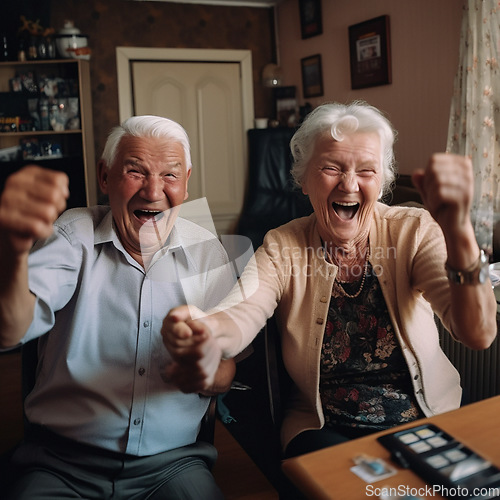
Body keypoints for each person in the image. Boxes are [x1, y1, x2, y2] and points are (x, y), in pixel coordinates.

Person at [163, 101, 498, 459]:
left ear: (381, 183)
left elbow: (477, 333)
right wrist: (207, 332)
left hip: (427, 419)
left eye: (366, 170)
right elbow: (243, 310)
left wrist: (460, 233)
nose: (349, 184)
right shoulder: (282, 246)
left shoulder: (413, 231)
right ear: (304, 180)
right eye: (331, 168)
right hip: (326, 428)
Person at [0, 115, 237, 499]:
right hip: (62, 463)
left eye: (170, 175)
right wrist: (10, 251)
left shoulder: (207, 249)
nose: (153, 190)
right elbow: (9, 330)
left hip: (173, 464)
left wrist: (207, 372)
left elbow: (229, 367)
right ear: (105, 176)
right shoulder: (72, 234)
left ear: (187, 183)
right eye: (136, 171)